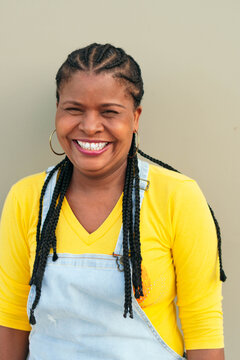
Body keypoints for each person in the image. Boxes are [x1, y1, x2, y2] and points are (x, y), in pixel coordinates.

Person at [0, 43, 226, 360]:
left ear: (135, 118)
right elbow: (11, 318)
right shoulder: (27, 198)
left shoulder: (177, 197)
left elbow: (203, 326)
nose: (90, 126)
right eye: (74, 109)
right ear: (57, 111)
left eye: (109, 112)